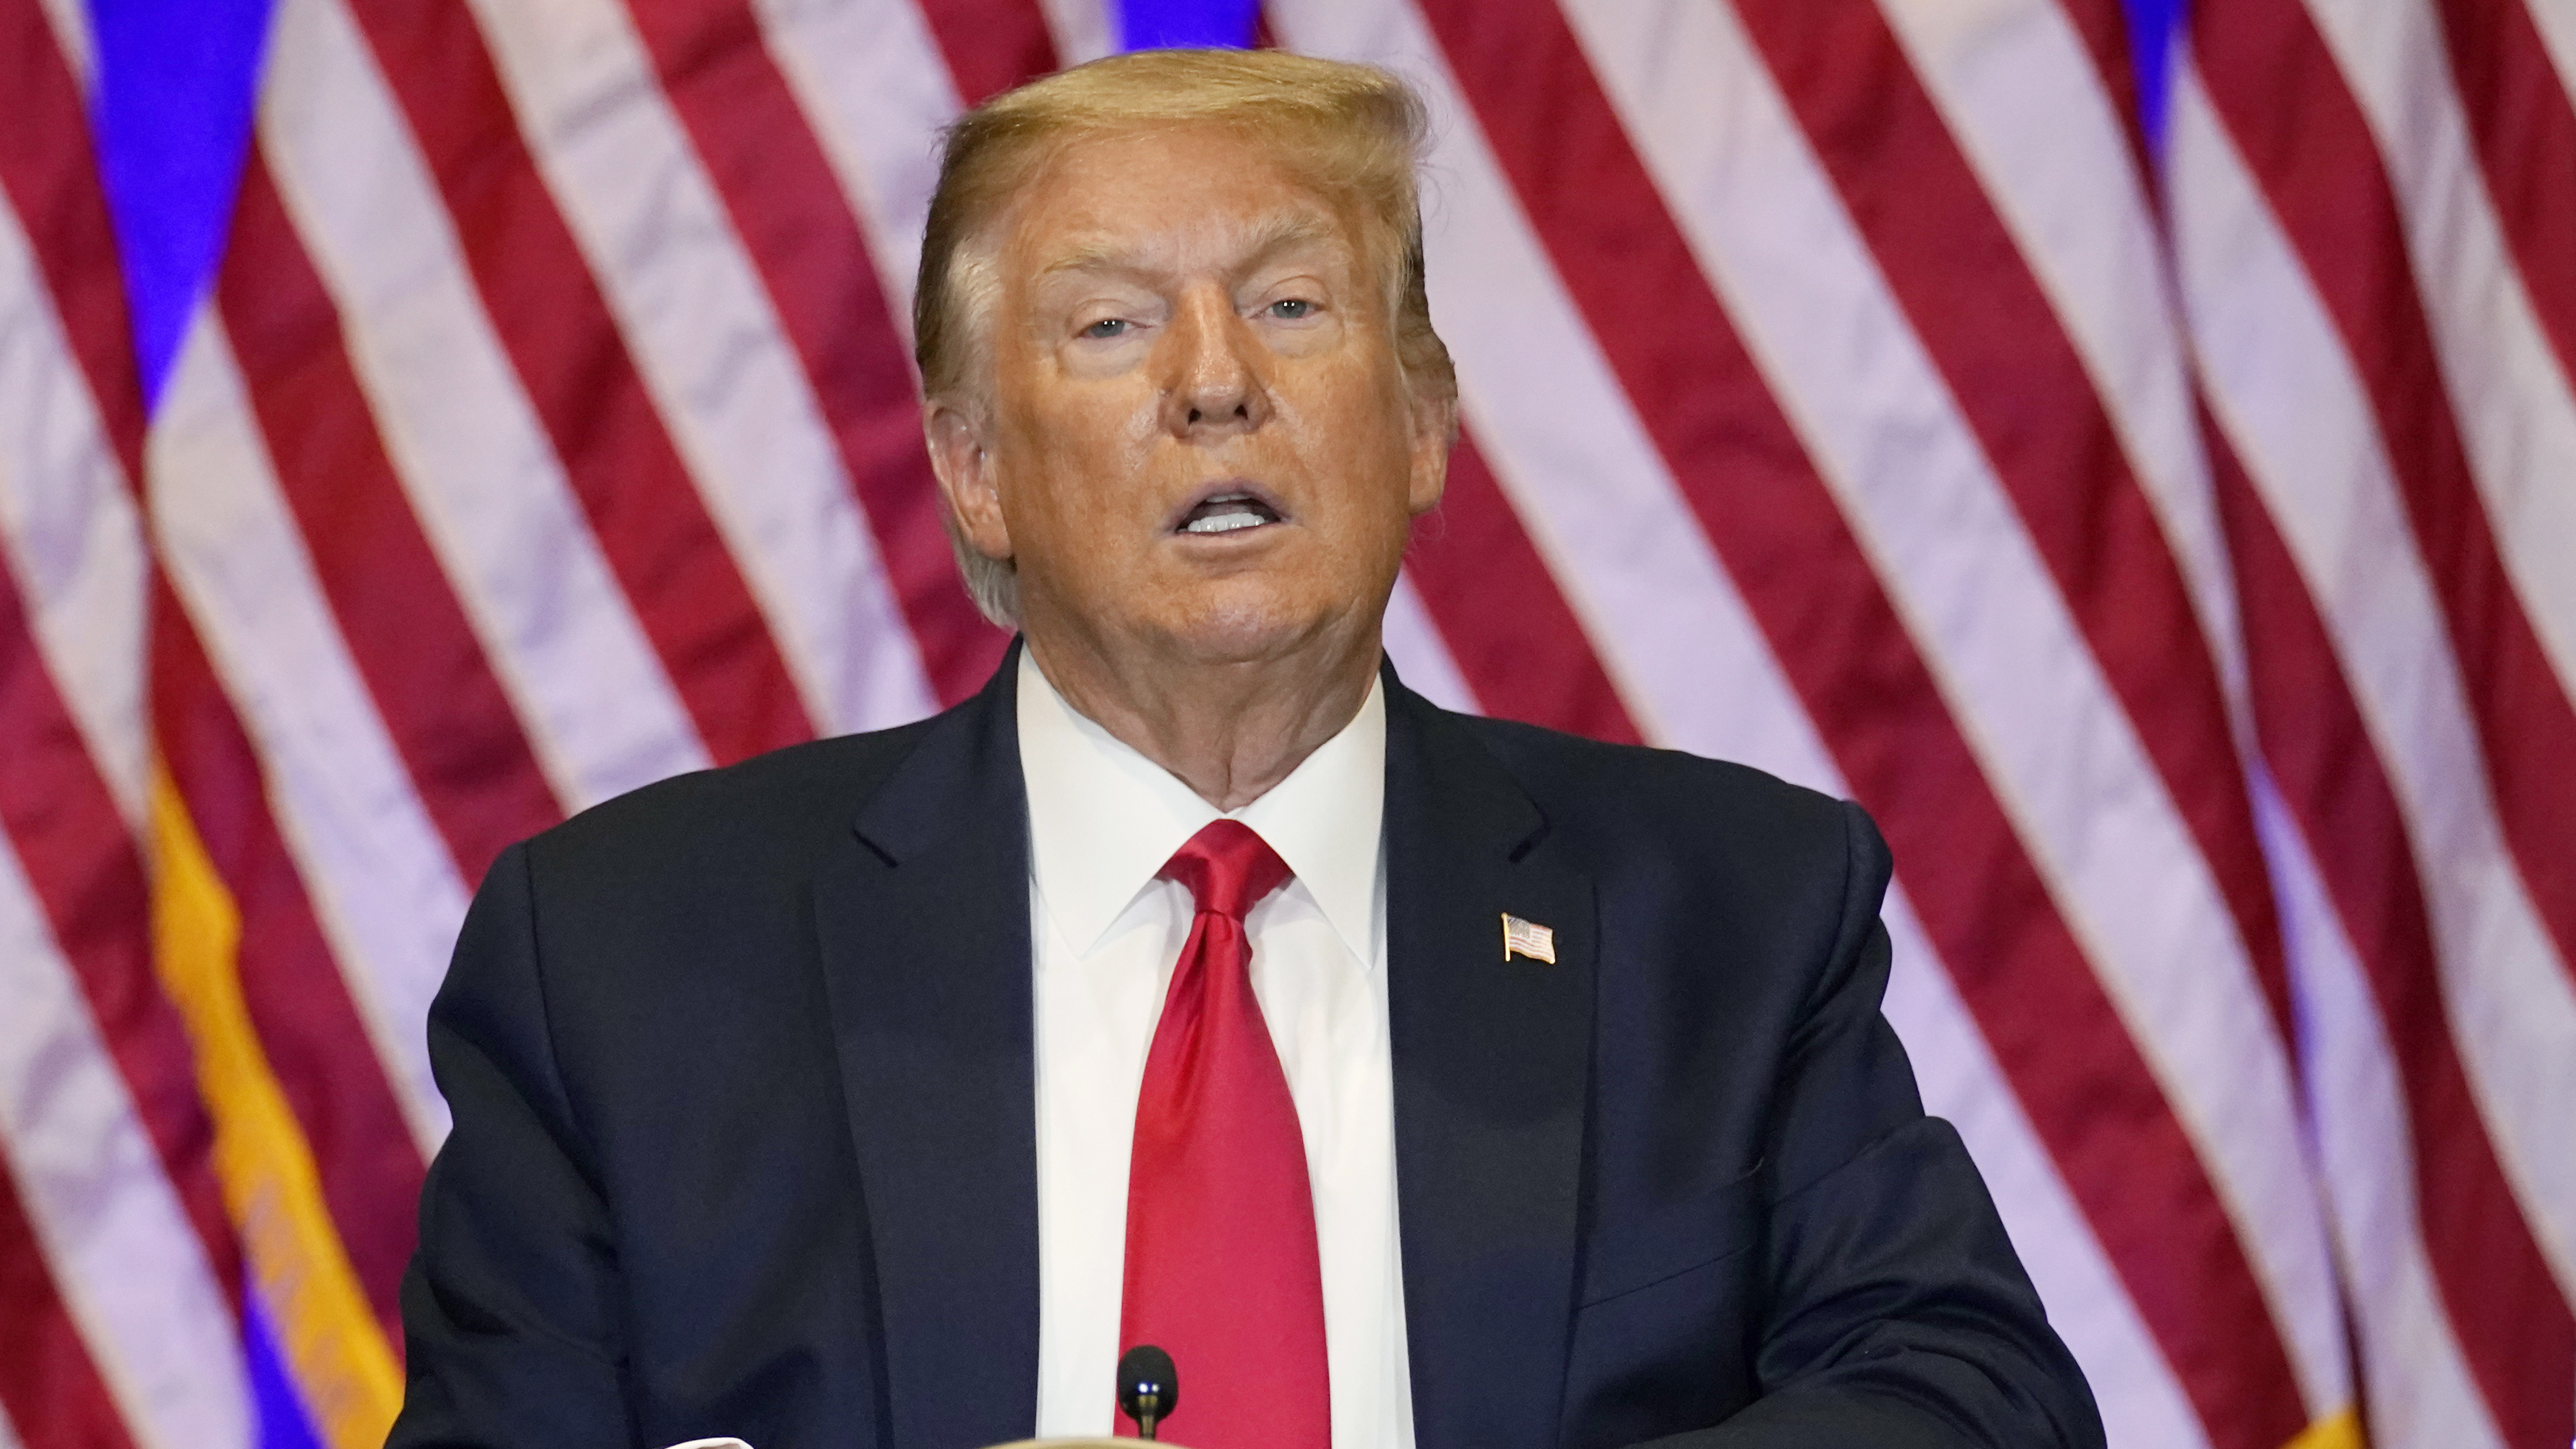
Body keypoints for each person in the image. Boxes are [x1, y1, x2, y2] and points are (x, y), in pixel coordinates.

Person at [388, 48, 2103, 1449]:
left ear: (1421, 423)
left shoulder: (1725, 911)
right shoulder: (624, 959)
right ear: (973, 466)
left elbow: (1972, 1398)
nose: (1216, 386)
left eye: (1290, 306)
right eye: (1114, 323)